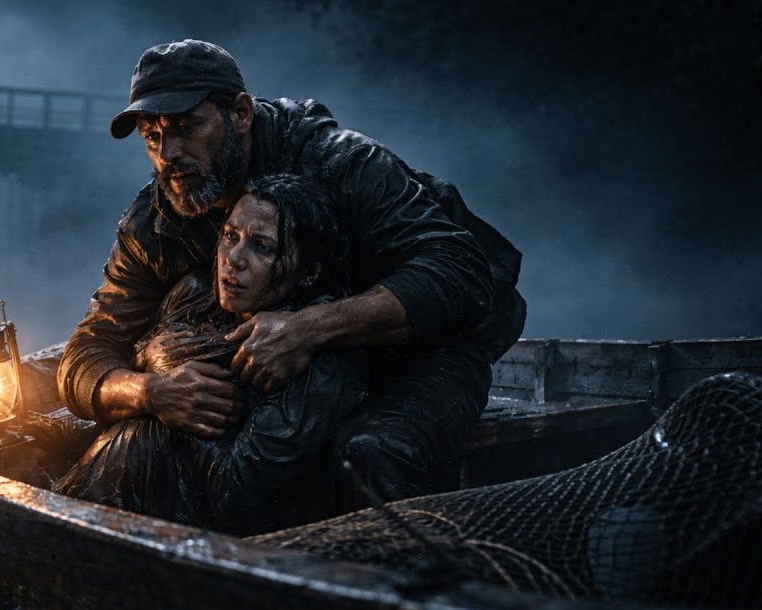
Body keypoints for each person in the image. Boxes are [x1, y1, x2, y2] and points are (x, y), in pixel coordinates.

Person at [57, 39, 526, 514]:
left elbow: (459, 273)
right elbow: (88, 350)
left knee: (370, 450)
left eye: (187, 127)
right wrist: (150, 391)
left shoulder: (343, 164)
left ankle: (401, 578)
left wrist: (309, 329)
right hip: (282, 377)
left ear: (240, 114)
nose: (168, 155)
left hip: (424, 352)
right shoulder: (156, 219)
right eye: (152, 136)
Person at [54, 174, 365, 535]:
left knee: (133, 440)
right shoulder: (198, 291)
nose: (233, 259)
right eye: (231, 236)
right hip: (112, 511)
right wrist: (155, 384)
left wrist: (166, 382)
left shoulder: (317, 360)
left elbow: (238, 492)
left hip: (209, 541)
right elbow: (129, 354)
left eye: (262, 247)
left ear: (309, 271)